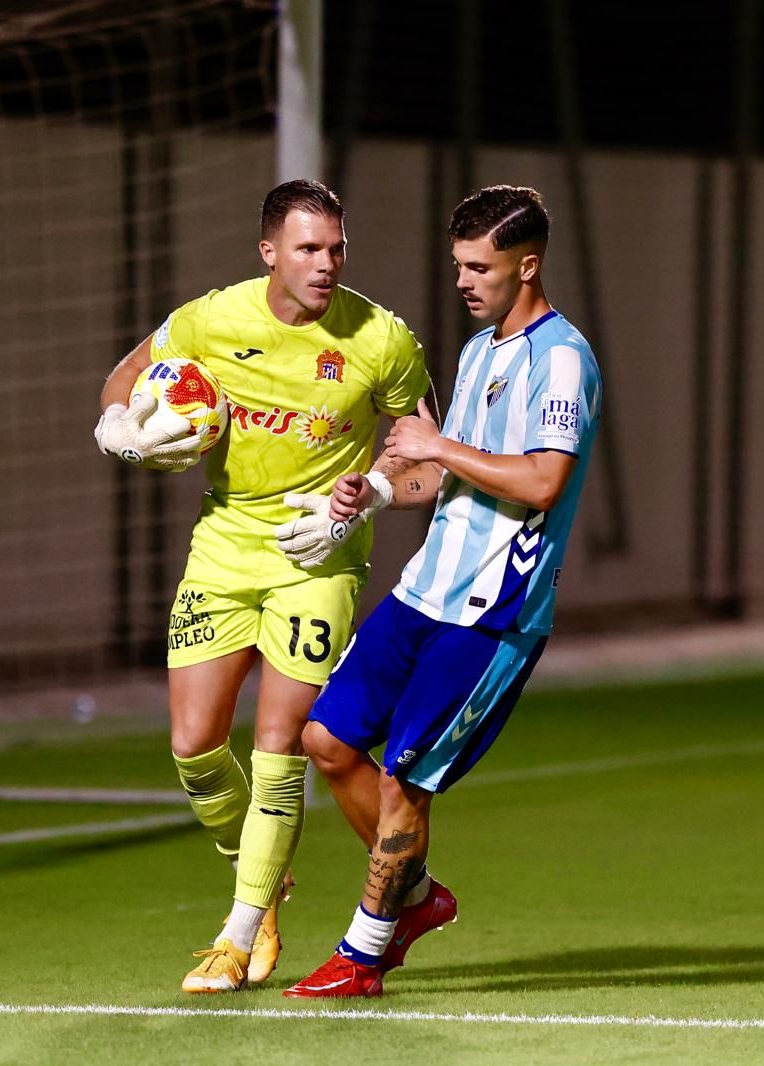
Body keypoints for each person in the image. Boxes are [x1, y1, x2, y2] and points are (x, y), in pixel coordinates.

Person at [93, 179, 431, 993]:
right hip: (225, 544)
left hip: (318, 559)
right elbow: (129, 373)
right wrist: (118, 425)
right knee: (195, 750)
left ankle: (237, 935)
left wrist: (368, 499)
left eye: (337, 247)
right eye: (309, 248)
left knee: (279, 746)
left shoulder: (381, 339)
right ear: (270, 252)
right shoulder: (212, 319)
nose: (326, 263)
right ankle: (265, 882)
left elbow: (427, 458)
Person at [280, 186, 602, 998]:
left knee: (404, 778)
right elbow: (438, 469)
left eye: (478, 266)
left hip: (491, 613)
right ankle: (417, 899)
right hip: (424, 592)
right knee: (326, 741)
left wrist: (440, 445)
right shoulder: (478, 351)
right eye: (457, 264)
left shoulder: (561, 358)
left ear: (527, 265)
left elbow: (541, 481)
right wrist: (376, 491)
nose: (463, 280)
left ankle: (362, 955)